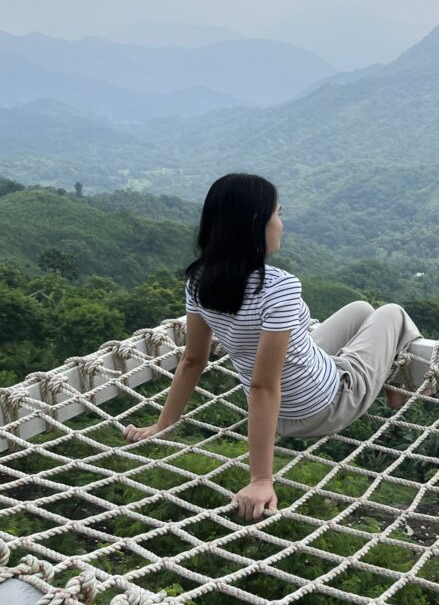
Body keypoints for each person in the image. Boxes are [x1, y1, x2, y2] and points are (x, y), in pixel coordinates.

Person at [123, 173, 421, 521]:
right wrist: (262, 479)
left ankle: (381, 375)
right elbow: (264, 387)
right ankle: (396, 383)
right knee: (391, 313)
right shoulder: (278, 287)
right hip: (326, 404)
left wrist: (164, 423)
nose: (281, 223)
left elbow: (192, 360)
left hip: (282, 405)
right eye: (277, 214)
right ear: (256, 225)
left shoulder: (199, 280)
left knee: (361, 310)